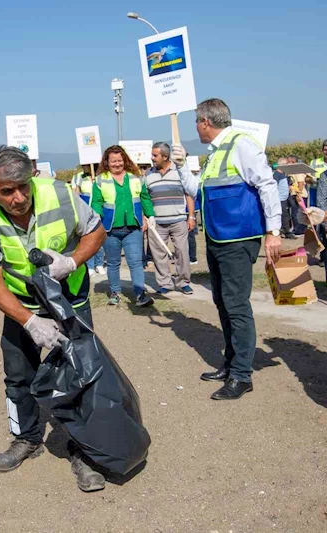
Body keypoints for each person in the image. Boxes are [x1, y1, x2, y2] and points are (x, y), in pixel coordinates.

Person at [0, 146, 108, 492]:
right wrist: (29, 322)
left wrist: (72, 262)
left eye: (23, 186)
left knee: (83, 375)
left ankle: (84, 450)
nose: (18, 197)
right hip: (21, 305)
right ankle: (26, 438)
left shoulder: (61, 194)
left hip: (70, 300)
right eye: (7, 191)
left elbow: (96, 232)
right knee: (18, 376)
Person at [172, 98, 281, 400]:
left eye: (196, 121)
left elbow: (267, 185)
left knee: (236, 306)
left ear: (205, 122)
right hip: (218, 238)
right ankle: (232, 363)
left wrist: (273, 231)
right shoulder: (215, 154)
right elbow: (198, 191)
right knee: (222, 302)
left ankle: (242, 376)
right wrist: (181, 167)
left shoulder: (241, 144)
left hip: (238, 239)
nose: (195, 127)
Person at [91, 146, 156, 307]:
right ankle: (115, 293)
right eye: (113, 161)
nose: (117, 164)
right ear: (107, 162)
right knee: (113, 263)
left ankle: (140, 295)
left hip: (133, 228)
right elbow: (96, 202)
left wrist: (150, 215)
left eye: (120, 160)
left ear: (125, 160)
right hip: (110, 229)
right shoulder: (100, 179)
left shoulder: (136, 177)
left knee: (135, 262)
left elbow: (144, 197)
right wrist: (96, 215)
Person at [144, 142, 194, 295]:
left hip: (178, 220)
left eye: (155, 155)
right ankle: (165, 283)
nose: (151, 158)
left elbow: (189, 193)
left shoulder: (179, 171)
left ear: (165, 157)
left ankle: (183, 282)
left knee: (182, 252)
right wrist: (147, 219)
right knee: (159, 254)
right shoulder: (148, 175)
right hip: (157, 223)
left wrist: (191, 216)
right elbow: (145, 197)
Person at [71, 166, 106, 275]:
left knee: (99, 238)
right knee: (87, 238)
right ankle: (90, 265)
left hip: (99, 211)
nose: (85, 167)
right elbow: (75, 194)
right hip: (85, 212)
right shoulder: (78, 177)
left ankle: (99, 264)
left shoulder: (102, 177)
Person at [273, 158, 295, 239]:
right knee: (284, 216)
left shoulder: (284, 174)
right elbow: (274, 188)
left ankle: (286, 230)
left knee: (286, 215)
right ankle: (287, 232)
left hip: (285, 198)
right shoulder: (276, 175)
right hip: (279, 199)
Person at [308, 140, 327, 207]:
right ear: (322, 150)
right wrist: (312, 180)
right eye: (325, 150)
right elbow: (307, 179)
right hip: (315, 192)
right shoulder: (314, 162)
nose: (326, 152)